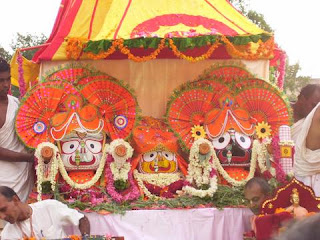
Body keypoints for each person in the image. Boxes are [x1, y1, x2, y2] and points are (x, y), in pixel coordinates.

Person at [0, 58, 34, 202]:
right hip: (4, 178)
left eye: (8, 79)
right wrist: (30, 158)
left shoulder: (16, 103)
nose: (6, 85)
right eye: (1, 80)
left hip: (24, 175)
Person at [0, 186, 90, 239]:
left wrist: (85, 237)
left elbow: (81, 219)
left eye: (3, 209)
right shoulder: (7, 235)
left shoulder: (49, 207)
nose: (2, 217)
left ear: (15, 200)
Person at [292, 84, 320, 196]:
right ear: (302, 99)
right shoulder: (280, 113)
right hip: (283, 172)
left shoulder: (312, 120)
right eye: (313, 105)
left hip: (307, 174)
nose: (314, 110)